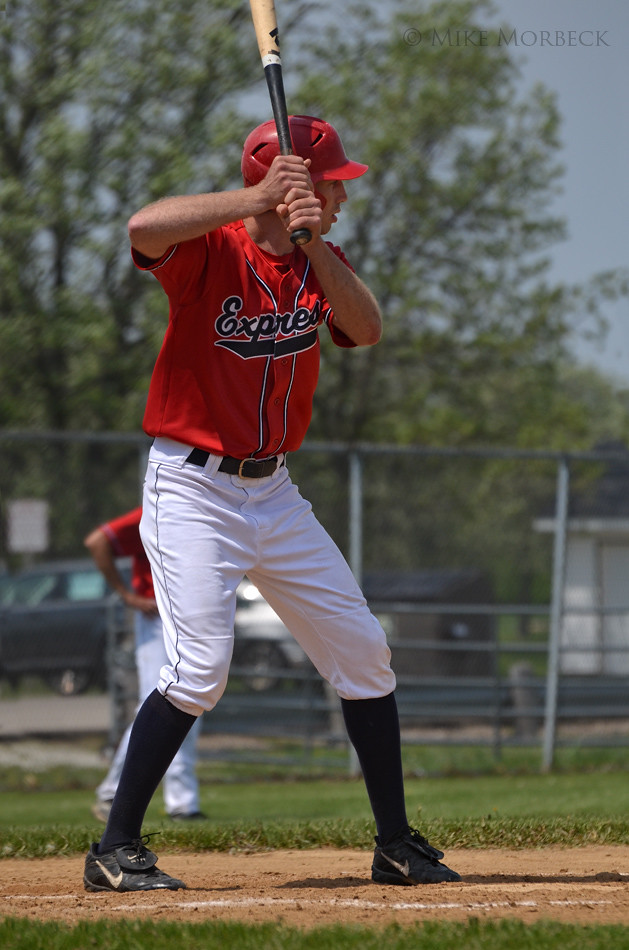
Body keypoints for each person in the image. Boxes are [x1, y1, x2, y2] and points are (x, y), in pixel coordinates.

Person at [83, 115, 461, 893]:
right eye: (333, 183)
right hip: (192, 486)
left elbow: (366, 327)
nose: (342, 195)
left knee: (363, 653)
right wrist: (253, 196)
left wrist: (313, 241)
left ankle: (395, 844)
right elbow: (142, 226)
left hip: (275, 492)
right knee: (199, 672)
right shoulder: (209, 251)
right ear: (295, 183)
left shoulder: (319, 264)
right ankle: (112, 850)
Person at [84, 507, 204, 822]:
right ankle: (113, 792)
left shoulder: (208, 508)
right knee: (156, 704)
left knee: (193, 699)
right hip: (156, 618)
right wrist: (126, 595)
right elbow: (97, 541)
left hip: (191, 616)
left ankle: (182, 804)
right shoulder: (157, 508)